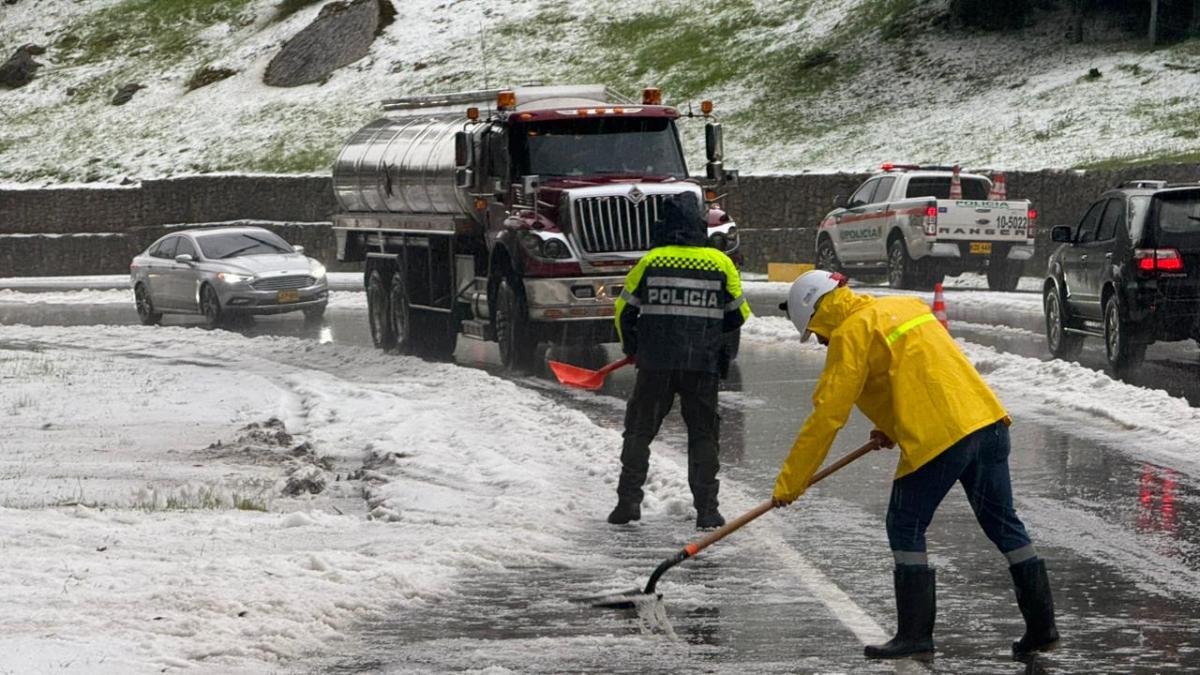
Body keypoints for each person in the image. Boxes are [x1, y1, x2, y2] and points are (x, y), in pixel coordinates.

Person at [772, 270, 1059, 660]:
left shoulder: (850, 334)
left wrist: (792, 482)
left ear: (817, 311)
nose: (822, 342)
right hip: (987, 422)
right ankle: (1042, 627)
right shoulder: (903, 307)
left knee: (905, 524)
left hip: (941, 438)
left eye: (817, 334)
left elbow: (827, 417)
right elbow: (917, 374)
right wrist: (890, 426)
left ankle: (915, 634)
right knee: (1004, 524)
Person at [608, 192, 751, 529]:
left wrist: (633, 347)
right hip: (701, 365)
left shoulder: (651, 261)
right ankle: (707, 510)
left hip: (655, 363)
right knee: (703, 435)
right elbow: (737, 316)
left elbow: (624, 312)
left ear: (665, 225)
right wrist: (719, 350)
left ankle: (628, 502)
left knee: (639, 432)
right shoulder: (720, 263)